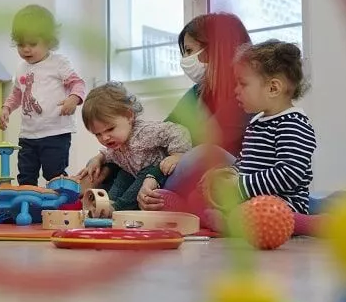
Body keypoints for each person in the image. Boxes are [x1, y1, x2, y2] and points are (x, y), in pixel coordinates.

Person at [135, 12, 252, 211]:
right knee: (126, 154)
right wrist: (149, 176)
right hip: (187, 176)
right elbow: (162, 136)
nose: (185, 60)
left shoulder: (243, 96)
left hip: (229, 178)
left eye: (189, 51)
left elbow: (204, 150)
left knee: (200, 154)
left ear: (215, 49)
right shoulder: (198, 92)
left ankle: (167, 200)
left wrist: (156, 175)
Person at [200, 39, 318, 233]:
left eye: (243, 84)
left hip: (283, 204)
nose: (236, 91)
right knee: (208, 207)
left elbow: (290, 174)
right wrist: (228, 173)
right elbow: (245, 162)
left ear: (273, 88)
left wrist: (241, 185)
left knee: (249, 217)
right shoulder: (256, 122)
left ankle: (306, 223)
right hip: (252, 201)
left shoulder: (294, 124)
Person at [0, 5, 85, 186]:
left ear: (48, 41)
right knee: (26, 175)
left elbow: (78, 83)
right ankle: (27, 207)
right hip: (28, 135)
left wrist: (73, 98)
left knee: (54, 174)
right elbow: (17, 94)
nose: (26, 50)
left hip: (55, 132)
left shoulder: (58, 63)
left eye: (32, 44)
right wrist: (6, 108)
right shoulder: (21, 67)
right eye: (21, 44)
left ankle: (58, 208)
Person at [77, 82, 191, 212]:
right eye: (98, 134)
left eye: (110, 129)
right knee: (121, 179)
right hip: (131, 171)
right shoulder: (117, 142)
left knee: (140, 176)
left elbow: (178, 131)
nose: (105, 138)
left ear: (129, 116)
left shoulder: (144, 132)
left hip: (154, 172)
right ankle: (107, 205)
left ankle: (118, 208)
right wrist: (98, 159)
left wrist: (177, 154)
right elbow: (108, 154)